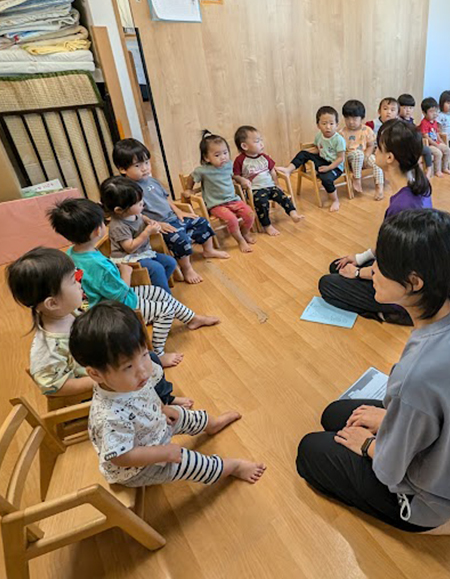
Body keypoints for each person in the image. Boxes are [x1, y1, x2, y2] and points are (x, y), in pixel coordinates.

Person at [298, 209, 450, 534]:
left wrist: (367, 444)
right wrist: (390, 420)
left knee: (310, 451)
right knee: (336, 414)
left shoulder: (418, 373)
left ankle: (443, 523)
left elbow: (389, 470)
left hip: (425, 501)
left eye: (381, 268)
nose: (371, 271)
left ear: (414, 282)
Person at [70, 301, 266, 488]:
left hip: (154, 425)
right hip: (140, 466)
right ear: (96, 374)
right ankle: (234, 467)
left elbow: (147, 395)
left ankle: (213, 425)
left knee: (188, 415)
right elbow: (120, 457)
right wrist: (162, 453)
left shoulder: (129, 382)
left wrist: (162, 408)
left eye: (145, 355)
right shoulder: (108, 417)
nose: (143, 371)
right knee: (195, 463)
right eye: (128, 366)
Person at [7, 247, 192, 407]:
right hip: (98, 387)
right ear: (52, 303)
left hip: (110, 365)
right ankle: (160, 403)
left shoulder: (74, 309)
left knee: (150, 359)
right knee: (146, 366)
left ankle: (164, 398)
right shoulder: (47, 347)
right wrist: (101, 380)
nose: (80, 284)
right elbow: (53, 386)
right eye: (74, 281)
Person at [48, 197, 219, 365]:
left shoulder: (72, 253)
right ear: (96, 231)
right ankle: (157, 354)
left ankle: (192, 319)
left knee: (158, 292)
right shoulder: (98, 264)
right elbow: (119, 294)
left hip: (100, 300)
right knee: (165, 311)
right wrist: (126, 272)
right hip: (112, 308)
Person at [318, 119, 432, 326]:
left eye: (378, 148)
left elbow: (395, 266)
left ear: (390, 157)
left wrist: (358, 272)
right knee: (337, 267)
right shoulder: (418, 183)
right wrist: (361, 257)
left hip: (402, 286)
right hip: (407, 270)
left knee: (327, 284)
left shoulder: (403, 206)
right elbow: (391, 247)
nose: (374, 152)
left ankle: (393, 312)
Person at [113, 138, 227, 285]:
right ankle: (187, 268)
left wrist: (179, 211)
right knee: (180, 238)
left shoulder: (152, 181)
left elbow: (166, 199)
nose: (145, 168)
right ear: (123, 169)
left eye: (147, 163)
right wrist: (158, 224)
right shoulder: (129, 191)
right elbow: (136, 214)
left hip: (172, 217)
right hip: (158, 225)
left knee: (202, 222)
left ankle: (208, 250)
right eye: (137, 165)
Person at [100, 176, 176, 293]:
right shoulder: (119, 225)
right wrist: (147, 232)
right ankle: (166, 296)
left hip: (142, 252)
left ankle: (156, 289)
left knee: (170, 262)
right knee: (156, 269)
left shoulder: (132, 213)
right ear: (119, 210)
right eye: (138, 203)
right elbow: (129, 248)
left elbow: (141, 216)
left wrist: (148, 221)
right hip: (128, 258)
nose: (143, 204)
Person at [187, 131, 256, 252]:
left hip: (233, 199)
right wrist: (189, 189)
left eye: (225, 153)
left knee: (250, 214)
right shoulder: (202, 171)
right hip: (216, 204)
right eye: (217, 155)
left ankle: (244, 233)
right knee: (232, 219)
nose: (223, 157)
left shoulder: (228, 165)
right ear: (206, 158)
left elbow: (233, 175)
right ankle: (240, 240)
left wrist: (241, 179)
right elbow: (191, 177)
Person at [232, 125, 304, 236]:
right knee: (262, 203)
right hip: (255, 189)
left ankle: (293, 214)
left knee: (282, 196)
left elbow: (272, 171)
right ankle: (267, 225)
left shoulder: (264, 157)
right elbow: (235, 175)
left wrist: (277, 183)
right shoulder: (240, 160)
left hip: (270, 186)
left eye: (261, 140)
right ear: (244, 146)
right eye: (257, 141)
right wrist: (241, 180)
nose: (261, 143)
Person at [278, 106, 347, 213]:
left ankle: (335, 200)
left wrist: (328, 167)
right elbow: (317, 148)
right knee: (303, 153)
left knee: (326, 179)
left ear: (337, 125)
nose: (328, 127)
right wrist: (306, 154)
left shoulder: (339, 140)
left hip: (335, 166)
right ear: (318, 125)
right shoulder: (319, 135)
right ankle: (289, 169)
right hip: (322, 160)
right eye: (324, 124)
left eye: (331, 124)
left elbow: (340, 158)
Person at [338, 100, 384, 201]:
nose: (351, 122)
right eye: (347, 118)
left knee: (378, 162)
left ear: (362, 118)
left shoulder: (367, 130)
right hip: (349, 159)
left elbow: (370, 145)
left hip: (364, 157)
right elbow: (340, 151)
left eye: (354, 119)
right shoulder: (342, 133)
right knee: (358, 154)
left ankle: (379, 188)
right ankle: (357, 178)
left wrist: (366, 156)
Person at [399, 93, 435, 177]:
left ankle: (429, 169)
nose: (408, 110)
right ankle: (416, 173)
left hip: (414, 145)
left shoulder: (411, 121)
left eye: (410, 108)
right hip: (405, 147)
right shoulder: (399, 122)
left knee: (427, 150)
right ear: (398, 108)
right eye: (405, 108)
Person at [419, 97, 450, 177]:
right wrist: (436, 144)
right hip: (428, 145)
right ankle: (437, 171)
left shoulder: (435, 122)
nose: (434, 114)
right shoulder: (424, 123)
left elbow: (437, 134)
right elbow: (426, 137)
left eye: (436, 111)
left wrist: (441, 142)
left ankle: (444, 168)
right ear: (424, 113)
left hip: (436, 142)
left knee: (447, 150)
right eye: (431, 111)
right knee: (438, 153)